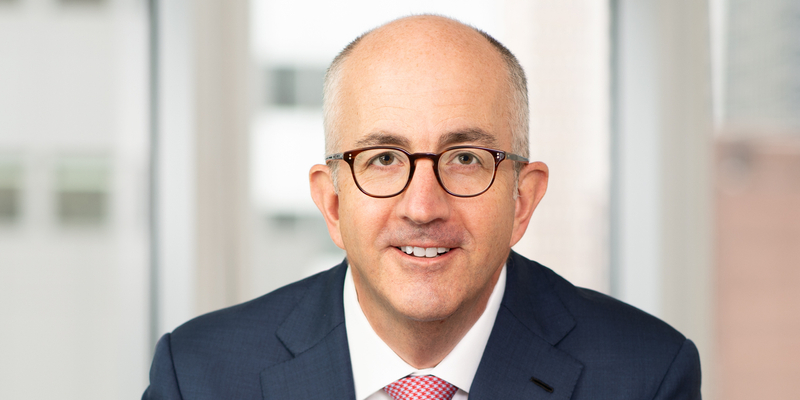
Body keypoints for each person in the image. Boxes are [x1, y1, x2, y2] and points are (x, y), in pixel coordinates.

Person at [143, 15, 701, 400]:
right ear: (332, 202)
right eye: (384, 158)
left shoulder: (645, 375)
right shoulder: (200, 375)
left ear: (522, 199)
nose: (423, 206)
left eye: (465, 158)